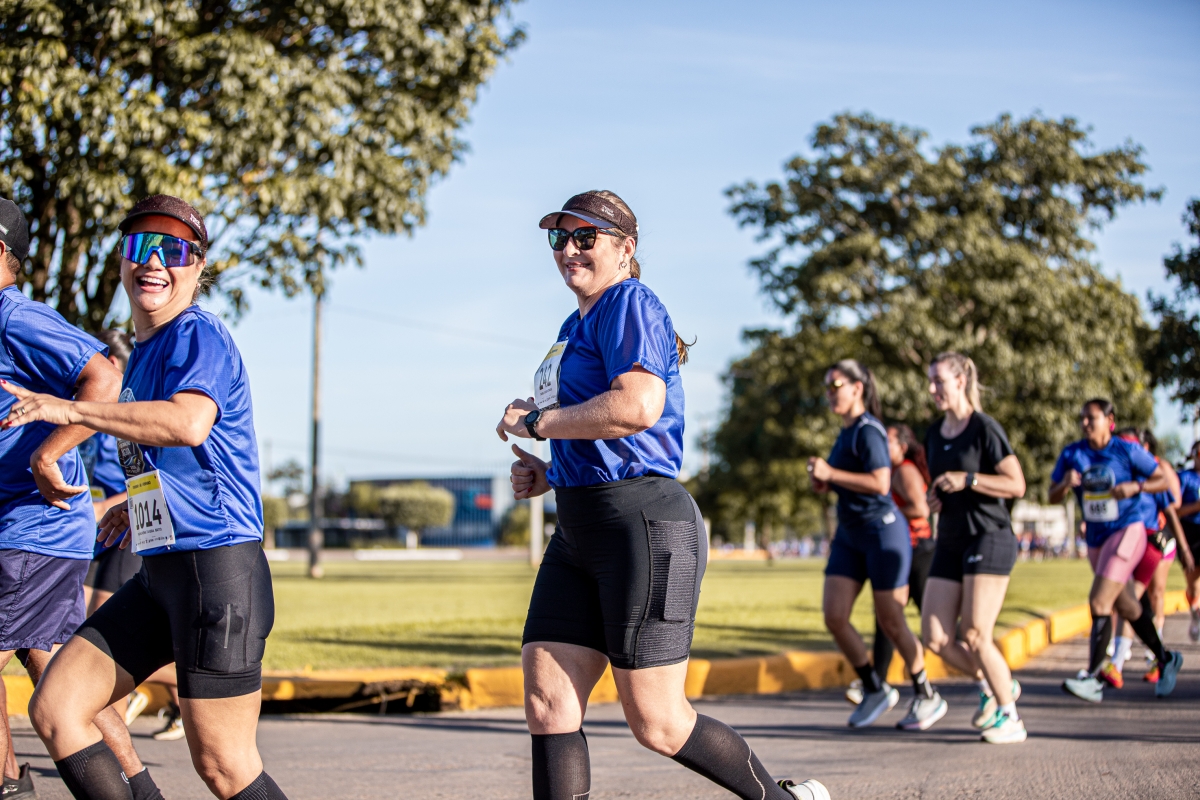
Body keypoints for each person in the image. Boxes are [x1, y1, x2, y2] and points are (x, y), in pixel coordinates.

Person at [497, 191, 828, 800]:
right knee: (548, 702)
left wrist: (539, 423)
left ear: (625, 249)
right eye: (558, 238)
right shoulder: (574, 326)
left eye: (585, 237)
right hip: (577, 530)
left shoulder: (630, 301)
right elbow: (599, 429)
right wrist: (552, 472)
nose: (569, 249)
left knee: (659, 722)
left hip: (642, 526)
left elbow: (637, 407)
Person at [2, 195, 287, 800]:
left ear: (198, 266)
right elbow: (182, 460)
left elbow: (189, 423)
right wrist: (141, 506)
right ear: (122, 260)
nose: (154, 261)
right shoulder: (145, 353)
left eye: (174, 249)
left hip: (217, 572)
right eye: (140, 246)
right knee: (57, 708)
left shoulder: (197, 333)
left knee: (225, 766)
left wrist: (70, 410)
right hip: (160, 572)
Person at [0, 198, 164, 800]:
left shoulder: (15, 318)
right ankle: (137, 789)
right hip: (30, 530)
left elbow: (105, 379)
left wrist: (46, 456)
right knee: (59, 673)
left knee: (59, 674)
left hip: (34, 529)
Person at [810, 360, 944, 731]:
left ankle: (926, 692)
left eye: (835, 384)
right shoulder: (845, 433)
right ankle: (874, 688)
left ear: (858, 388)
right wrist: (824, 482)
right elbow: (846, 480)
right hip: (849, 535)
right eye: (827, 386)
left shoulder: (869, 430)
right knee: (834, 616)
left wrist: (830, 472)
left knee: (891, 619)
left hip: (883, 533)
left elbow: (881, 483)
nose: (829, 392)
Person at [79, 330, 185, 740]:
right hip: (97, 534)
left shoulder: (133, 410)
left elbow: (147, 476)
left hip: (127, 525)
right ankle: (166, 698)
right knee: (87, 632)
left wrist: (107, 505)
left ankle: (196, 680)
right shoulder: (93, 410)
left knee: (109, 641)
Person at [918, 352, 1028, 745]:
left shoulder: (984, 427)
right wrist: (935, 499)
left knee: (976, 632)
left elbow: (1016, 485)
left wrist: (969, 479)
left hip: (989, 535)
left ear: (961, 381)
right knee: (935, 637)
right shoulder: (934, 433)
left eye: (939, 380)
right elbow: (941, 486)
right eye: (930, 381)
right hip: (950, 538)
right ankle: (998, 683)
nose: (932, 388)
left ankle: (1010, 716)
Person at [1049, 399, 1183, 702]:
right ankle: (1166, 658)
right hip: (1097, 539)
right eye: (1083, 418)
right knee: (1128, 606)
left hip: (1127, 531)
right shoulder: (1073, 453)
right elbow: (1052, 495)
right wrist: (1064, 484)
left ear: (1110, 420)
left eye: (1092, 418)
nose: (1085, 423)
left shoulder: (1126, 450)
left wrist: (1136, 487)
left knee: (1099, 601)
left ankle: (1093, 677)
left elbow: (1163, 480)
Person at [843, 424, 936, 723]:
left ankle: (982, 676)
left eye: (889, 441)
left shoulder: (904, 471)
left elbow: (921, 509)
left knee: (936, 625)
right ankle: (878, 683)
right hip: (901, 550)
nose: (882, 446)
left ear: (902, 447)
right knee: (887, 618)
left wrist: (887, 513)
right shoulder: (892, 471)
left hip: (918, 552)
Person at [1102, 428, 1184, 688]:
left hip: (1154, 541)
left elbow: (1173, 507)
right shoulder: (1120, 473)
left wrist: (1184, 548)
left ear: (1143, 447)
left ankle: (1128, 662)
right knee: (1132, 601)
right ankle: (1157, 657)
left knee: (1149, 596)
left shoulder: (1157, 472)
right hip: (1129, 540)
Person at [1177, 440, 1200, 642]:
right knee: (1193, 584)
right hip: (1190, 533)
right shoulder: (1185, 478)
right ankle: (1195, 612)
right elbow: (1174, 511)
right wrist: (1196, 506)